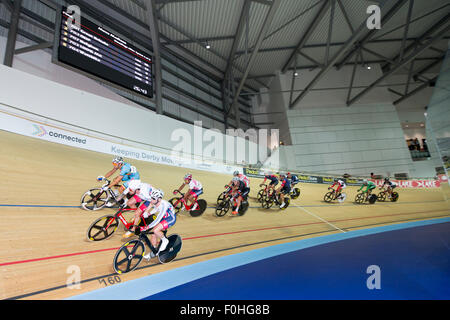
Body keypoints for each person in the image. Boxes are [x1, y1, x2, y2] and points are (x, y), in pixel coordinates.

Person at [138, 189, 177, 260]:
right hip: (164, 217)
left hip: (170, 218)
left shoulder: (164, 204)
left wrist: (148, 227)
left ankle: (165, 240)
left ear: (159, 199)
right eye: (151, 197)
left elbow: (158, 219)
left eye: (153, 198)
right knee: (153, 234)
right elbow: (156, 209)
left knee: (155, 230)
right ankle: (155, 251)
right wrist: (148, 212)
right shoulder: (156, 202)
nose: (151, 200)